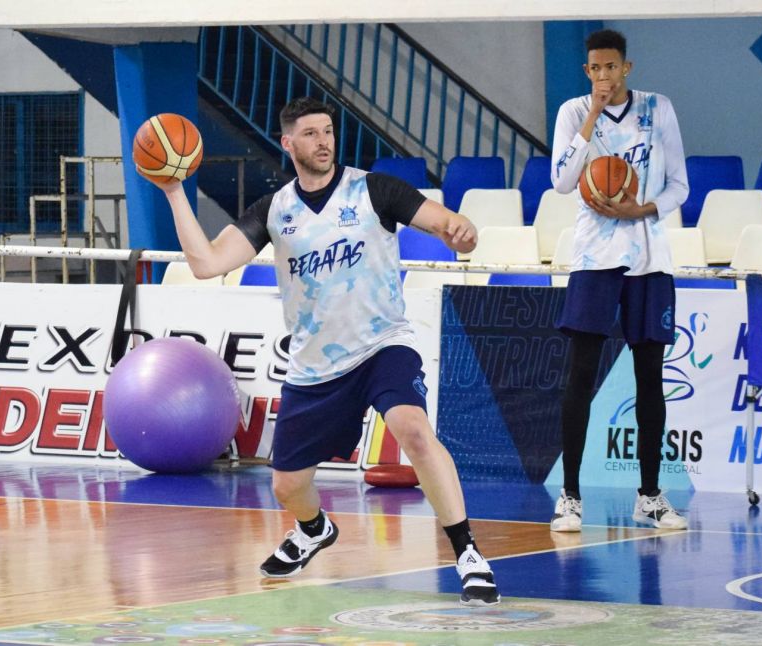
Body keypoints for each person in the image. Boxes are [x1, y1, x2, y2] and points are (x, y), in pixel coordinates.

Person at [151, 96, 500, 606]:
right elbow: (206, 264)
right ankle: (313, 529)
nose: (324, 142)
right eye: (311, 134)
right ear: (288, 143)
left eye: (329, 132)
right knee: (287, 487)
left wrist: (461, 231)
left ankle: (467, 552)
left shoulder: (375, 190)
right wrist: (174, 190)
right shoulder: (273, 211)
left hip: (382, 344)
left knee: (413, 431)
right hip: (315, 366)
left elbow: (448, 226)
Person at [549, 29, 689, 532]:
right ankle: (570, 496)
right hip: (594, 256)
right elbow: (562, 182)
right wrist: (592, 115)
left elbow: (679, 186)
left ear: (626, 67)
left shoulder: (658, 108)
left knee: (650, 378)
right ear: (587, 71)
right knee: (581, 374)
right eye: (595, 68)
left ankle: (650, 495)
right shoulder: (572, 112)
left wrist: (641, 209)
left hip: (649, 257)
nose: (604, 75)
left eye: (611, 66)